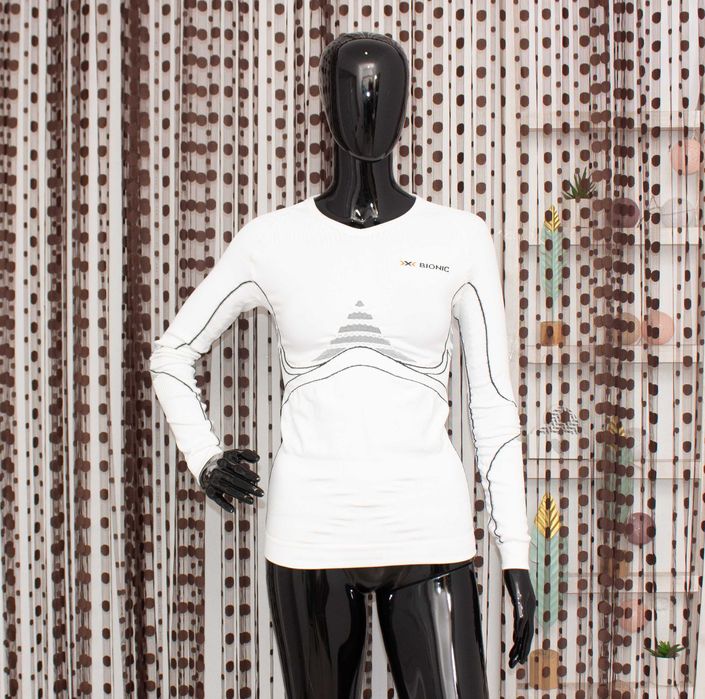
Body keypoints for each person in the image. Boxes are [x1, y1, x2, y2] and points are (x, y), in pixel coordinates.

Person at [150, 30, 536, 699]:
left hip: (429, 531)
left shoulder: (459, 238)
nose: (368, 107)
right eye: (351, 91)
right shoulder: (273, 241)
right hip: (310, 538)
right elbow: (172, 354)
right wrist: (204, 455)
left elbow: (494, 407)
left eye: (384, 92)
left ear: (407, 105)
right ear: (325, 106)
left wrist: (517, 553)